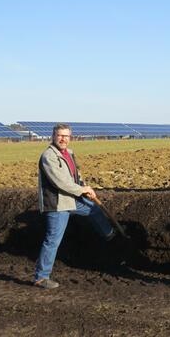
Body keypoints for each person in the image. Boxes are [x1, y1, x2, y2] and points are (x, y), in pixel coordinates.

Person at [34, 123, 116, 289]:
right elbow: (60, 182)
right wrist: (81, 190)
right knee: (52, 240)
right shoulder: (48, 156)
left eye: (66, 136)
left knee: (94, 210)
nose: (63, 139)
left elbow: (75, 177)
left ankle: (111, 236)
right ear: (53, 136)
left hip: (71, 200)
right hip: (57, 204)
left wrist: (86, 187)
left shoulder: (69, 153)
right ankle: (41, 277)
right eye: (60, 135)